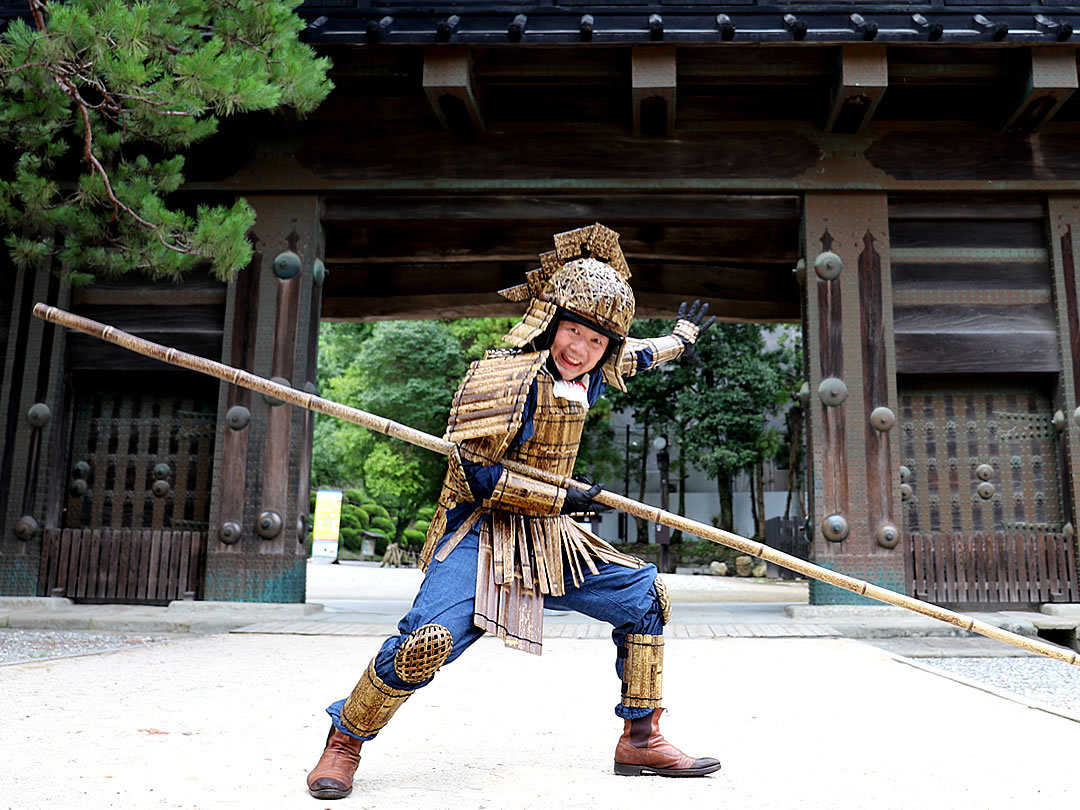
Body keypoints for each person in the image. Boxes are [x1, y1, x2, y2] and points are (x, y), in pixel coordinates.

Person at [307, 223, 718, 799]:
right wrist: (563, 496)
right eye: (573, 331)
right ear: (551, 322)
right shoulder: (503, 375)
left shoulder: (591, 376)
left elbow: (639, 356)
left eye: (596, 341)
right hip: (478, 533)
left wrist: (683, 336)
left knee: (645, 599)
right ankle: (344, 741)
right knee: (424, 642)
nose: (580, 349)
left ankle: (641, 739)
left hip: (549, 535)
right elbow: (477, 478)